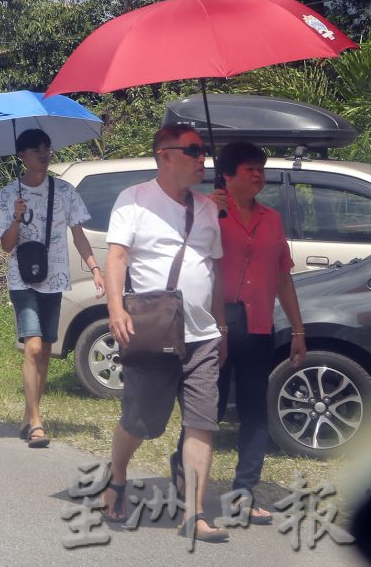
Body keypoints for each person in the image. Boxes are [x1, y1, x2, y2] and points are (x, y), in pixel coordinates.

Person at [100, 124, 228, 542]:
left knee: (202, 423)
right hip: (154, 331)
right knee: (141, 423)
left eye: (203, 150)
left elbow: (215, 270)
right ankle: (117, 476)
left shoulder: (208, 208)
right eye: (193, 150)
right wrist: (116, 308)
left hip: (202, 336)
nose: (201, 158)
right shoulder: (133, 200)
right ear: (164, 155)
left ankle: (194, 514)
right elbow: (116, 257)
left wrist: (221, 326)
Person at [171, 141, 306, 524]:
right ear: (226, 175)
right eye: (249, 168)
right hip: (214, 323)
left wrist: (297, 329)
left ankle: (245, 491)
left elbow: (283, 277)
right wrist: (207, 215)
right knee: (207, 407)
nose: (258, 174)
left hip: (259, 324)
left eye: (260, 168)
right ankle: (184, 471)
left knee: (254, 409)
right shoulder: (203, 210)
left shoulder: (272, 219)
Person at [0, 129, 104, 448]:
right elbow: (6, 245)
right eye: (37, 149)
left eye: (47, 148)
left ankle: (30, 414)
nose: (44, 154)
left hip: (55, 278)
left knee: (44, 352)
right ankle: (37, 422)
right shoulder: (7, 195)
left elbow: (79, 234)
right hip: (22, 279)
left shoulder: (65, 191)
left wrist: (95, 268)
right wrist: (16, 217)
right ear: (21, 156)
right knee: (31, 346)